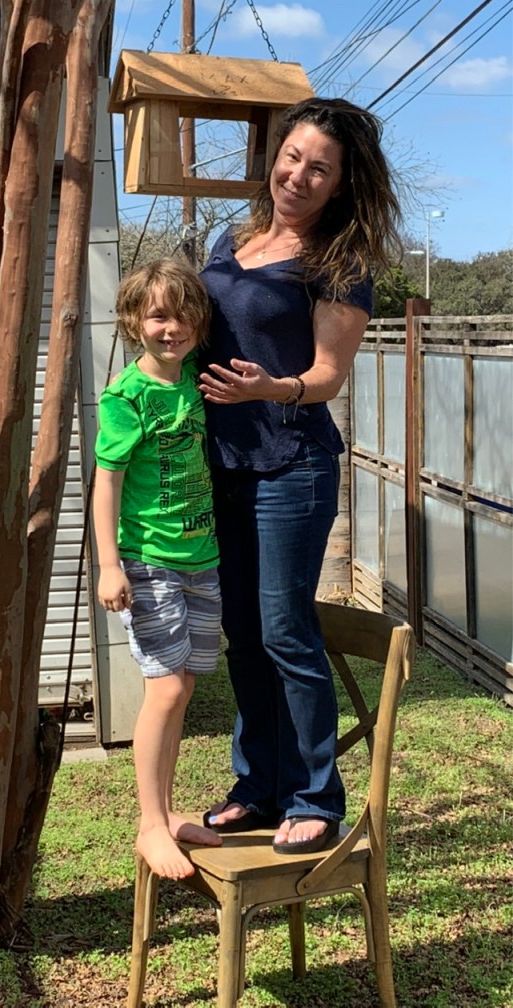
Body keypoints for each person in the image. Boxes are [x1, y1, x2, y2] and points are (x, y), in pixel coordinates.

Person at [199, 97, 402, 854]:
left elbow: (325, 376)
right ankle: (257, 788)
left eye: (319, 168)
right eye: (292, 156)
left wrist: (268, 387)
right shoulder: (235, 236)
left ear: (342, 183)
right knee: (242, 635)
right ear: (275, 154)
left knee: (285, 631)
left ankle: (316, 796)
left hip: (292, 464)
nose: (298, 174)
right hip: (221, 462)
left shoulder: (339, 262)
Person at [93, 258, 223, 880]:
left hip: (201, 557)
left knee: (185, 687)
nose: (172, 328)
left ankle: (169, 814)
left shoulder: (193, 375)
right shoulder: (128, 396)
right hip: (148, 561)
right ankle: (150, 824)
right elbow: (106, 481)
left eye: (184, 316)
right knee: (165, 688)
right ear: (133, 322)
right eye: (158, 316)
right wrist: (108, 565)